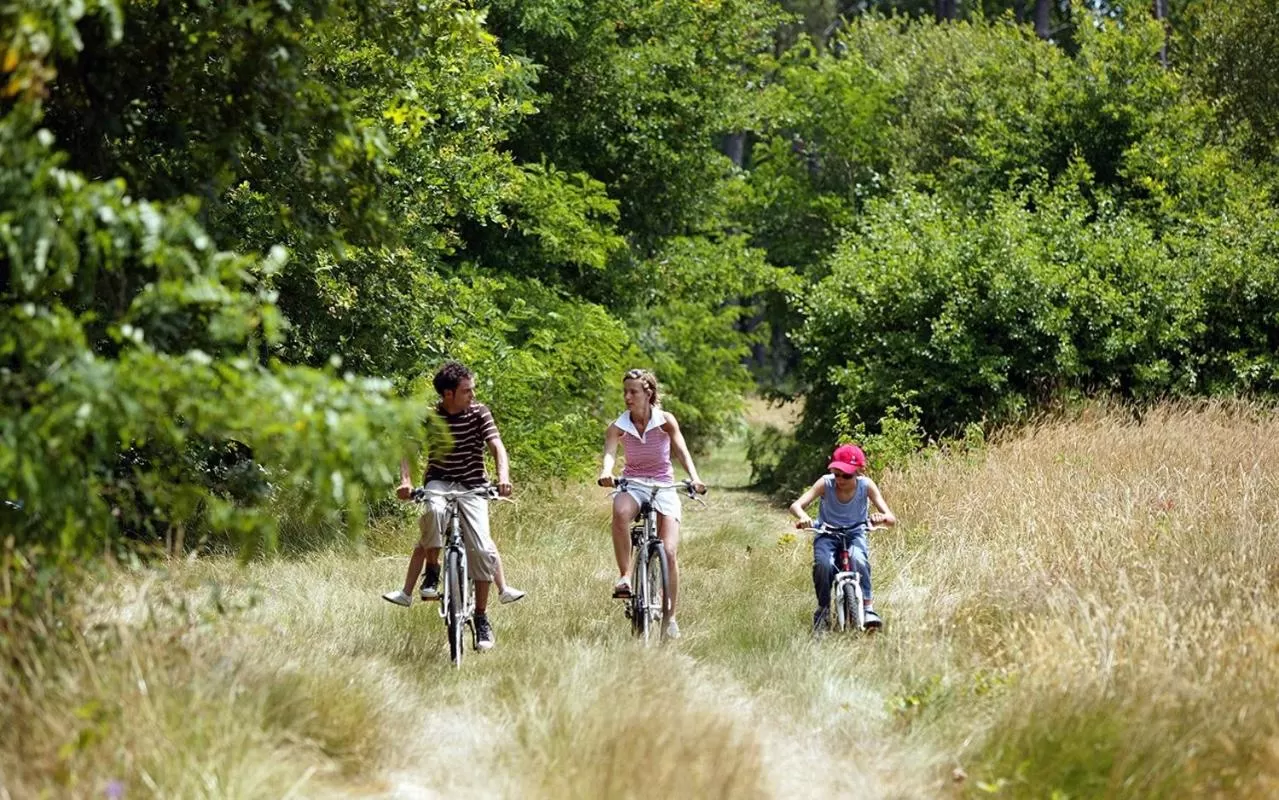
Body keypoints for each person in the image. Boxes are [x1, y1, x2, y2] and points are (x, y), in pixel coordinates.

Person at [382, 361, 525, 651]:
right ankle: (433, 571)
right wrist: (406, 481)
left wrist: (504, 477)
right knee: (433, 511)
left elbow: (497, 446)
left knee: (483, 550)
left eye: (472, 390)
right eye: (466, 391)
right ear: (448, 394)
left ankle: (482, 617)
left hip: (474, 486)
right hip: (440, 482)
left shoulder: (479, 412)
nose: (472, 395)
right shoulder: (430, 417)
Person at [596, 368, 706, 640]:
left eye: (633, 392)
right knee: (620, 512)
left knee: (669, 551)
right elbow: (610, 453)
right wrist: (606, 472)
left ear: (649, 394)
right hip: (633, 483)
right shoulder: (619, 425)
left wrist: (694, 478)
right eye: (625, 392)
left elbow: (680, 450)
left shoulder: (665, 421)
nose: (627, 397)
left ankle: (670, 617)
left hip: (663, 484)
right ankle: (625, 575)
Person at [788, 444, 896, 633]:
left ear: (858, 472)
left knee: (859, 560)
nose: (840, 479)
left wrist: (882, 518)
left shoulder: (866, 486)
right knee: (824, 565)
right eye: (837, 473)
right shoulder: (826, 483)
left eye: (846, 475)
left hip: (855, 533)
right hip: (827, 533)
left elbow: (891, 518)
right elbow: (796, 505)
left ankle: (868, 608)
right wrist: (804, 517)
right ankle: (823, 611)